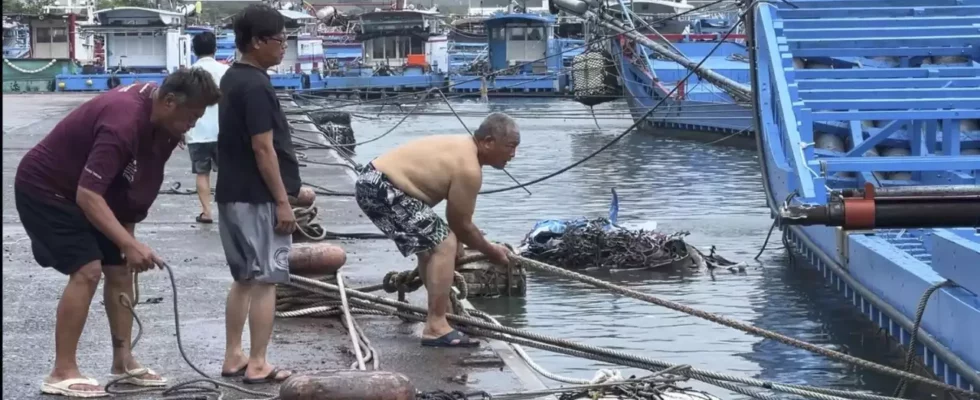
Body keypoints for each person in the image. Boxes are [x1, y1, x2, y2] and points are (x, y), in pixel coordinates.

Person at [14, 70, 221, 398]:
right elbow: (88, 195)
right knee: (87, 270)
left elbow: (138, 185)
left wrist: (127, 244)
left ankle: (123, 362)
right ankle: (61, 370)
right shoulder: (122, 122)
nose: (195, 124)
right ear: (169, 102)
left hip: (93, 191)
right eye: (193, 116)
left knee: (121, 269)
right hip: (47, 188)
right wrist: (128, 242)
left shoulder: (166, 126)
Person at [354, 112, 520, 348]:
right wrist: (491, 251)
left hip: (374, 182)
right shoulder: (469, 167)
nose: (513, 155)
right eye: (510, 147)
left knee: (433, 247)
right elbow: (461, 226)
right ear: (488, 142)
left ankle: (444, 316)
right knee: (444, 243)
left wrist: (464, 240)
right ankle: (436, 327)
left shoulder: (463, 149)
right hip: (382, 187)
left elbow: (457, 220)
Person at [216, 3, 299, 384]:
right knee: (267, 281)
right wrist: (284, 201)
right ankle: (259, 361)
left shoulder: (232, 78)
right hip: (257, 198)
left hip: (231, 194)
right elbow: (263, 149)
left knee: (244, 279)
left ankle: (234, 355)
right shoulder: (257, 87)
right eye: (280, 40)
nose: (284, 47)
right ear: (257, 42)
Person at [185, 30, 229, 224]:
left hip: (197, 132)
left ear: (194, 50)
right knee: (227, 173)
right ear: (215, 49)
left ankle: (207, 212)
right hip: (223, 131)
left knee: (202, 173)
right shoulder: (226, 72)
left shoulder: (188, 74)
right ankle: (228, 212)